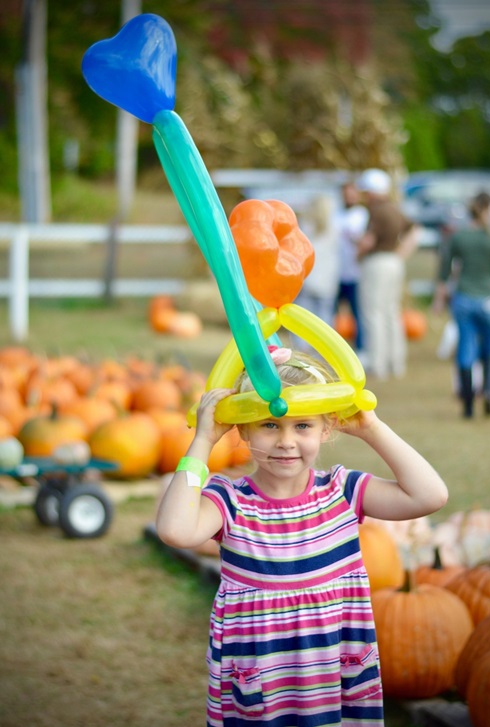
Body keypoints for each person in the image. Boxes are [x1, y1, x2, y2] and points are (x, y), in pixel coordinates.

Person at [156, 347, 448, 726]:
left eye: (303, 426)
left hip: (332, 678)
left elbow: (431, 495)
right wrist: (203, 442)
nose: (286, 441)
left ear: (327, 428)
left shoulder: (342, 491)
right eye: (270, 425)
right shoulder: (230, 501)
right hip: (263, 685)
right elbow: (174, 529)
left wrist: (372, 429)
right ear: (243, 428)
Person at [433, 191, 490, 418]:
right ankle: (489, 391)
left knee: (465, 347)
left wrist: (439, 299)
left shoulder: (459, 237)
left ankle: (468, 402)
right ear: (487, 210)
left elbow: (445, 271)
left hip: (464, 299)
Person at [356, 168, 418, 380]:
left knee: (373, 313)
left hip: (377, 262)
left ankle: (377, 363)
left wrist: (358, 251)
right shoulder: (394, 209)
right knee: (391, 311)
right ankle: (396, 362)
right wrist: (401, 253)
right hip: (394, 261)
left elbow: (368, 241)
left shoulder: (377, 211)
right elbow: (414, 230)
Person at [292, 194, 339, 350]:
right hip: (327, 283)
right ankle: (322, 358)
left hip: (307, 280)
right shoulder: (335, 229)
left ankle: (303, 359)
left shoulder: (304, 229)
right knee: (324, 324)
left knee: (302, 324)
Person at [334, 181, 369, 353]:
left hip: (356, 272)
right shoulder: (336, 215)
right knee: (333, 313)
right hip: (337, 272)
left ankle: (361, 347)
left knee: (358, 313)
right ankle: (333, 348)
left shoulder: (362, 215)